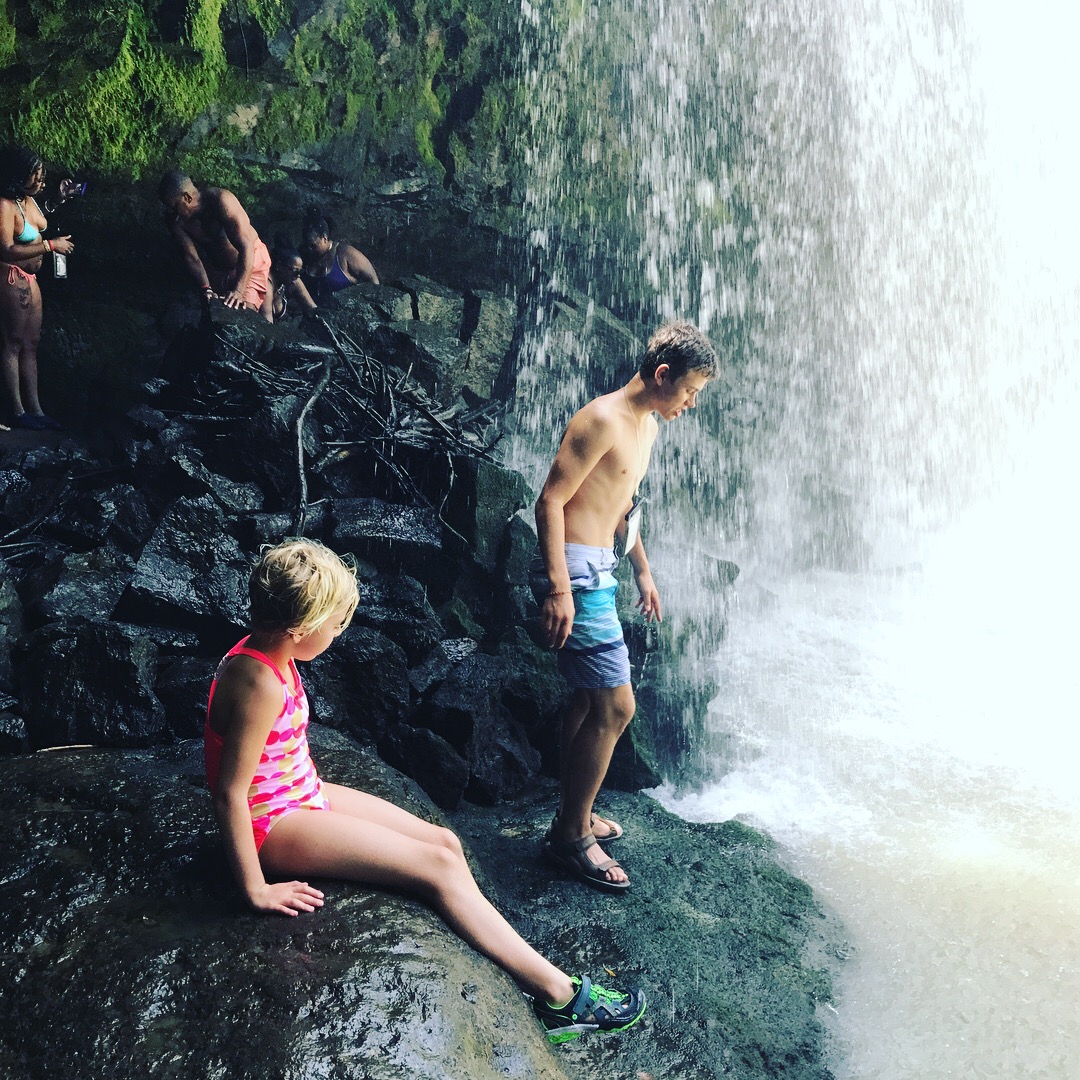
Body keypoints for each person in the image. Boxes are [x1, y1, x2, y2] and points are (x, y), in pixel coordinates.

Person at [204, 538, 646, 1044]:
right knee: (434, 867)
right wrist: (256, 887)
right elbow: (229, 793)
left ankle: (500, 943)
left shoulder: (268, 652)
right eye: (336, 624)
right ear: (301, 627)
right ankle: (561, 997)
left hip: (301, 793)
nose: (339, 634)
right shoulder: (257, 682)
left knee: (445, 843)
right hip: (272, 824)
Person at [533, 320, 718, 893]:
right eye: (688, 391)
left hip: (602, 570)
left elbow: (621, 505)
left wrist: (643, 571)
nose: (690, 403)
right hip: (578, 574)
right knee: (617, 708)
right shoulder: (602, 419)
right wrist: (559, 588)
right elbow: (551, 501)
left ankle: (575, 814)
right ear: (662, 375)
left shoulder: (647, 425)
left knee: (591, 703)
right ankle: (569, 838)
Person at [0, 145, 75, 431]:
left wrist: (57, 198)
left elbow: (40, 217)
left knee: (31, 344)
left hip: (31, 280)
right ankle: (18, 412)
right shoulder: (5, 205)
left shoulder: (27, 201)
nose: (41, 181)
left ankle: (37, 410)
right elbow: (6, 248)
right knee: (12, 344)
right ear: (19, 176)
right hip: (10, 277)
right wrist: (49, 246)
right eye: (36, 176)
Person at [158, 171, 273, 322]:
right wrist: (206, 288)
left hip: (251, 260)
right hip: (219, 270)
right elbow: (192, 258)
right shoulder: (176, 221)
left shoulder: (221, 201)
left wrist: (238, 290)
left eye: (174, 207)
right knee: (217, 315)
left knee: (245, 313)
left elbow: (247, 246)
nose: (173, 213)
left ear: (187, 197)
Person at [300, 207, 379, 304]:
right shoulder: (304, 256)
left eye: (313, 245)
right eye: (306, 245)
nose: (309, 249)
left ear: (324, 238)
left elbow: (374, 282)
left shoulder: (346, 253)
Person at [268, 240, 317, 322]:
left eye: (300, 271)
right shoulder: (267, 286)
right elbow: (267, 322)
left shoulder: (293, 280)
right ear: (279, 266)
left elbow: (313, 309)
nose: (298, 275)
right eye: (294, 271)